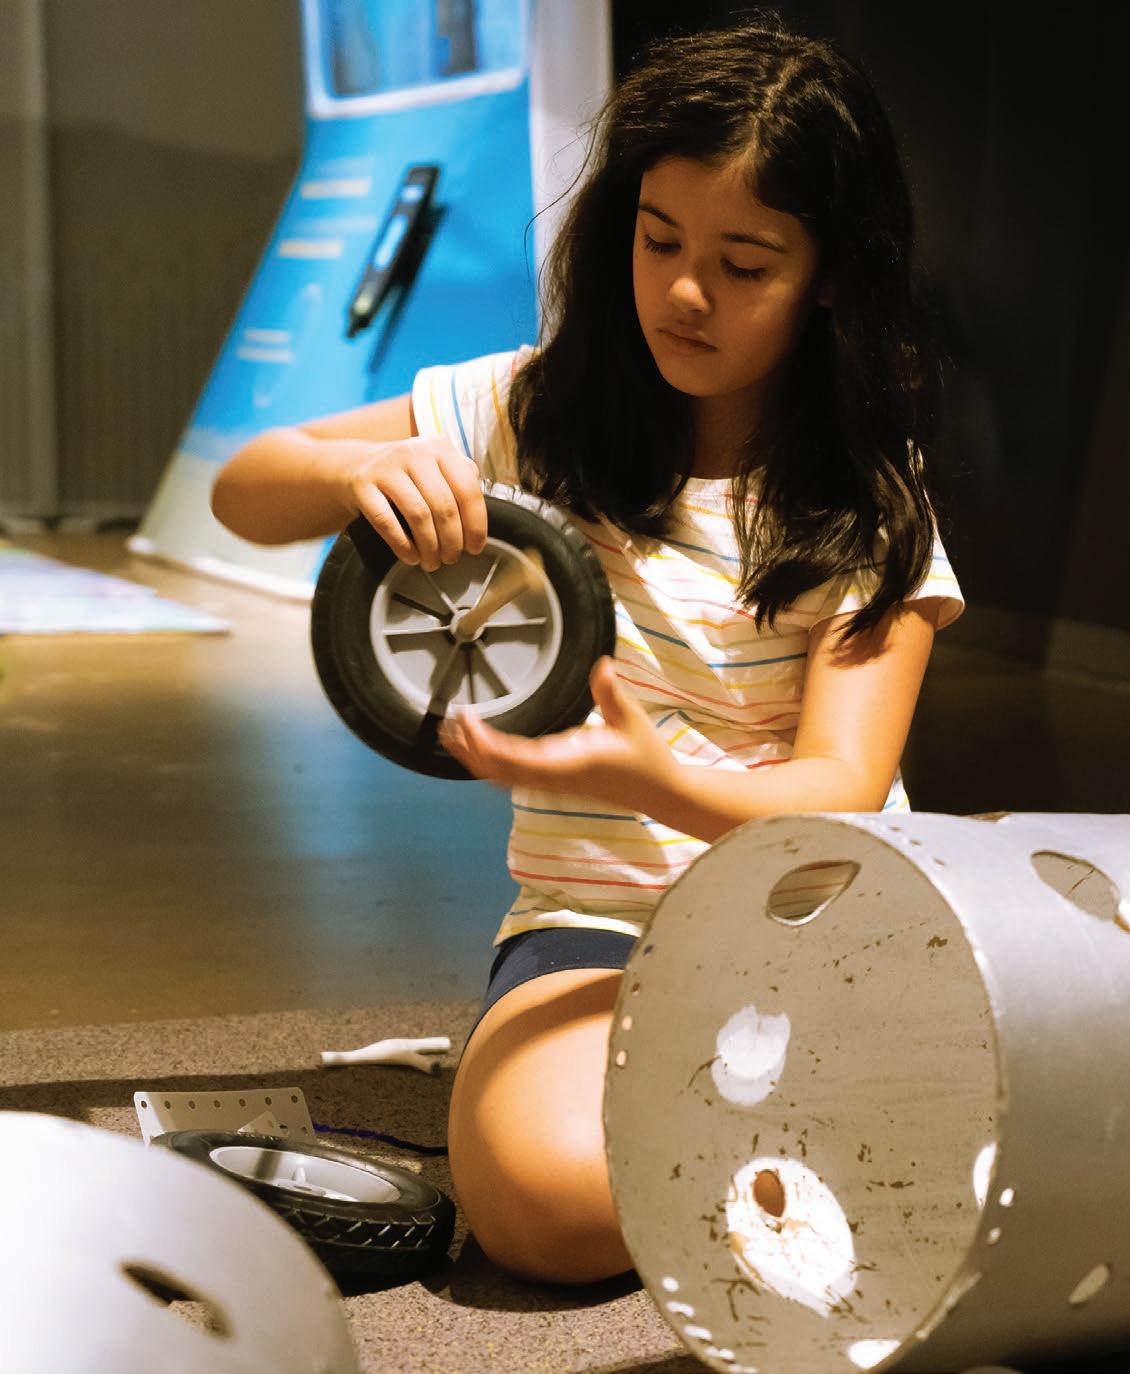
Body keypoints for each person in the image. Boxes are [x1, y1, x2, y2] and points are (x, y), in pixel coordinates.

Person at [211, 21, 963, 1284]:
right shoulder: (528, 413)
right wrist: (357, 474)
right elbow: (245, 488)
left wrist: (652, 777)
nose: (685, 292)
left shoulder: (865, 502)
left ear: (830, 276)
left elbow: (840, 789)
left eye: (742, 264)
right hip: (598, 925)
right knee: (539, 1208)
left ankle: (766, 1138)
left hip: (823, 919)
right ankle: (793, 1157)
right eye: (659, 240)